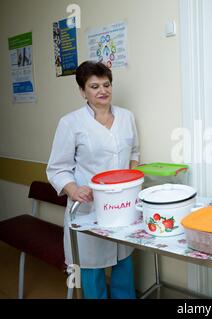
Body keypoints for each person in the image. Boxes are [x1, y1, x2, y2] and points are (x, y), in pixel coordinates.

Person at [47, 61, 140, 299]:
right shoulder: (71, 123)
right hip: (88, 207)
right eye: (94, 86)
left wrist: (131, 180)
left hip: (122, 206)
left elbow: (134, 153)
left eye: (106, 84)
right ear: (82, 91)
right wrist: (73, 190)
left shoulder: (127, 117)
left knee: (123, 264)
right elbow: (57, 168)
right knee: (90, 269)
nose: (102, 91)